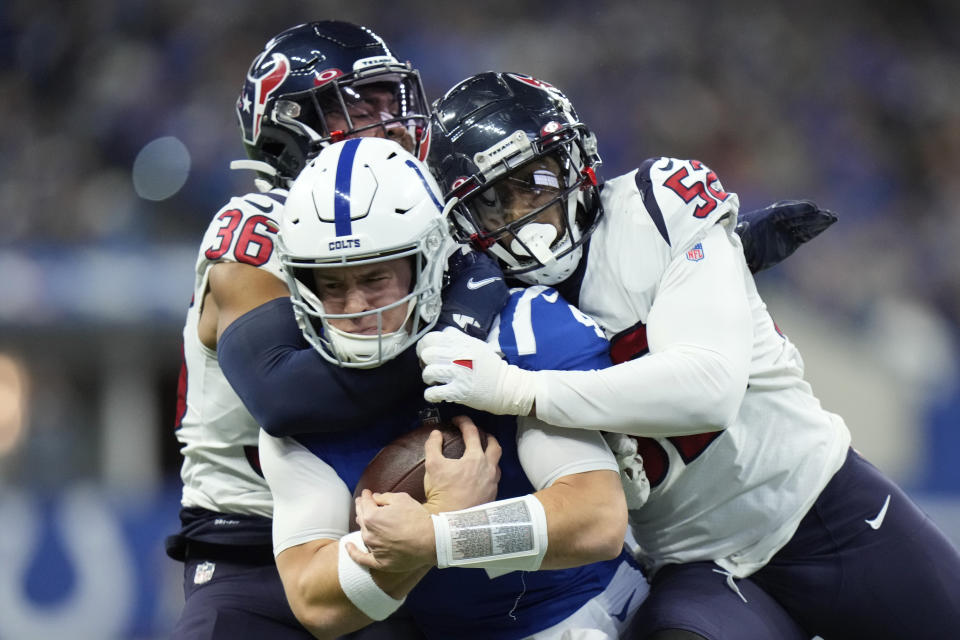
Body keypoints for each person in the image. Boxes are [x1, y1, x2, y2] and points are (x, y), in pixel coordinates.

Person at [414, 71, 960, 640]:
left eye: (538, 181)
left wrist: (521, 390)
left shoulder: (656, 205)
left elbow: (708, 389)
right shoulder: (488, 307)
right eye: (495, 203)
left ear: (580, 162)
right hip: (698, 565)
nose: (526, 217)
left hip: (824, 508)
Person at [255, 135, 647, 639]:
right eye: (331, 284)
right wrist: (438, 520)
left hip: (588, 616)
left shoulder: (520, 330)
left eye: (376, 279)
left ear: (429, 260)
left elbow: (596, 520)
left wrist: (439, 535)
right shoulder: (299, 409)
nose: (355, 307)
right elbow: (315, 601)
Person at [166, 20, 461, 639]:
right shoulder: (253, 226)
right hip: (250, 552)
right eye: (361, 104)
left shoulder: (417, 214)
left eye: (392, 99)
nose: (392, 121)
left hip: (386, 536)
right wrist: (461, 339)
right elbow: (287, 396)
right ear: (287, 127)